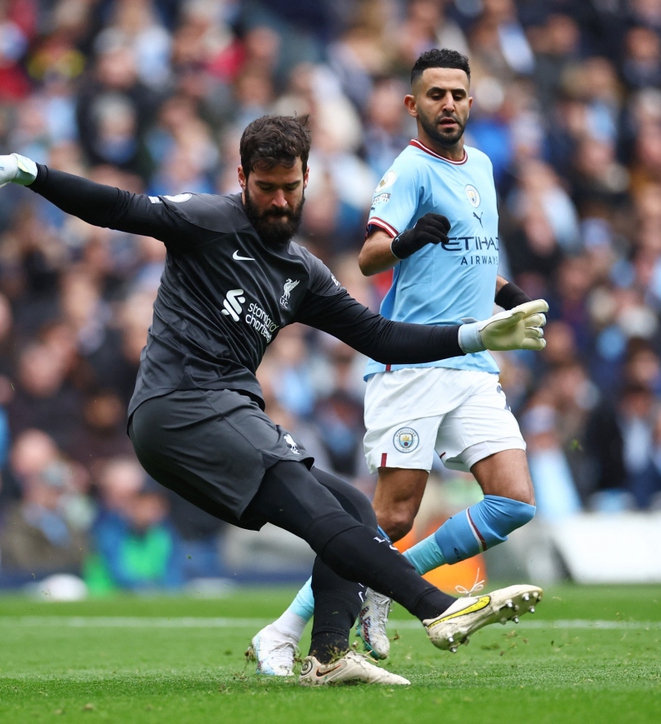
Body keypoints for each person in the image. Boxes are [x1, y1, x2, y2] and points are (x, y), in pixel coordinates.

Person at [0, 113, 547, 686]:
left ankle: (330, 656)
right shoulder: (208, 221)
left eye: (290, 188)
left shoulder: (302, 272)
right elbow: (118, 207)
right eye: (266, 188)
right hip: (178, 405)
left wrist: (475, 335)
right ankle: (437, 608)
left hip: (227, 411)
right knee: (321, 514)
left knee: (353, 510)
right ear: (242, 180)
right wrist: (28, 171)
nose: (280, 201)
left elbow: (379, 335)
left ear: (307, 180)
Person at [252, 49, 545, 674]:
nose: (449, 105)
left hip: (472, 364)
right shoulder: (409, 169)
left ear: (472, 100)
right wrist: (408, 239)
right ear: (413, 105)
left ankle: (389, 581)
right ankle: (285, 628)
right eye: (435, 95)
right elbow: (369, 257)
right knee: (387, 516)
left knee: (515, 501)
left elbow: (471, 254)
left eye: (458, 94)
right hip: (412, 363)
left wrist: (508, 295)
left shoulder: (485, 167)